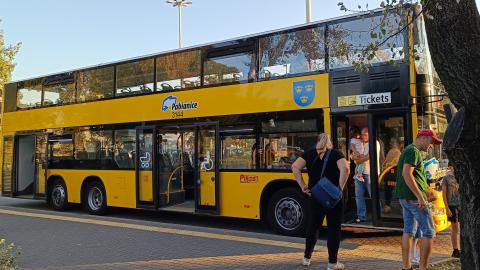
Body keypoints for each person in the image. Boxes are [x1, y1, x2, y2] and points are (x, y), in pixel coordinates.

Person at [291, 133, 349, 269]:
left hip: (315, 196)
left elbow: (295, 167)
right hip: (333, 199)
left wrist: (303, 186)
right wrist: (339, 189)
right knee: (333, 229)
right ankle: (332, 263)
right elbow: (345, 169)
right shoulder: (336, 154)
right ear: (330, 142)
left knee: (313, 227)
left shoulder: (309, 153)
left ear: (317, 141)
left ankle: (306, 258)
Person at [395, 129, 442, 270]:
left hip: (406, 198)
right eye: (432, 141)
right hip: (414, 200)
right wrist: (421, 197)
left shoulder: (409, 150)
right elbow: (406, 174)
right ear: (423, 138)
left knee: (408, 231)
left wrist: (426, 190)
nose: (432, 145)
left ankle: (406, 267)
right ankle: (423, 267)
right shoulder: (413, 151)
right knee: (429, 232)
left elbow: (413, 176)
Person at [441, 163, 461, 258]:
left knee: (462, 228)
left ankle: (462, 248)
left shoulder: (460, 176)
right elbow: (443, 194)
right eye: (453, 167)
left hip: (461, 205)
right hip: (452, 206)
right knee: (455, 229)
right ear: (450, 167)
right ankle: (455, 250)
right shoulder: (446, 178)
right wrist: (446, 208)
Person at [352, 128, 371, 223]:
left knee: (373, 194)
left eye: (365, 135)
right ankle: (361, 216)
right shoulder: (362, 144)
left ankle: (380, 214)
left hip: (369, 173)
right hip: (360, 173)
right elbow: (354, 155)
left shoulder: (373, 143)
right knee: (359, 196)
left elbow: (367, 157)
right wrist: (356, 157)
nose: (362, 136)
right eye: (362, 134)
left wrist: (357, 160)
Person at [381, 137, 402, 213]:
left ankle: (388, 206)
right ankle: (397, 207)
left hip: (391, 174)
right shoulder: (394, 151)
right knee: (394, 190)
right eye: (391, 142)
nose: (391, 144)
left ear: (398, 144)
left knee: (389, 191)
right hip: (392, 174)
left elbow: (392, 163)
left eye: (393, 142)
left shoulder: (395, 152)